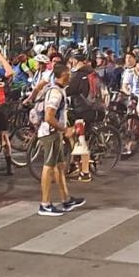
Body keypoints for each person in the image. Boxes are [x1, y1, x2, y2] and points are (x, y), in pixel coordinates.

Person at [35, 63, 86, 216]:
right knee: (48, 167)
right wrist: (65, 130)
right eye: (69, 73)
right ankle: (45, 204)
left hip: (55, 133)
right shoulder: (56, 93)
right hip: (50, 133)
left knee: (59, 166)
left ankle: (65, 199)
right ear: (64, 75)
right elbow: (49, 116)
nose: (71, 76)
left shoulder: (59, 90)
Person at [64, 51, 96, 179]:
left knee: (80, 139)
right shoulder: (91, 72)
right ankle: (74, 164)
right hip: (90, 108)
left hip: (82, 110)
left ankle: (85, 172)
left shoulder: (78, 75)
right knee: (73, 136)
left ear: (75, 61)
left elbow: (69, 90)